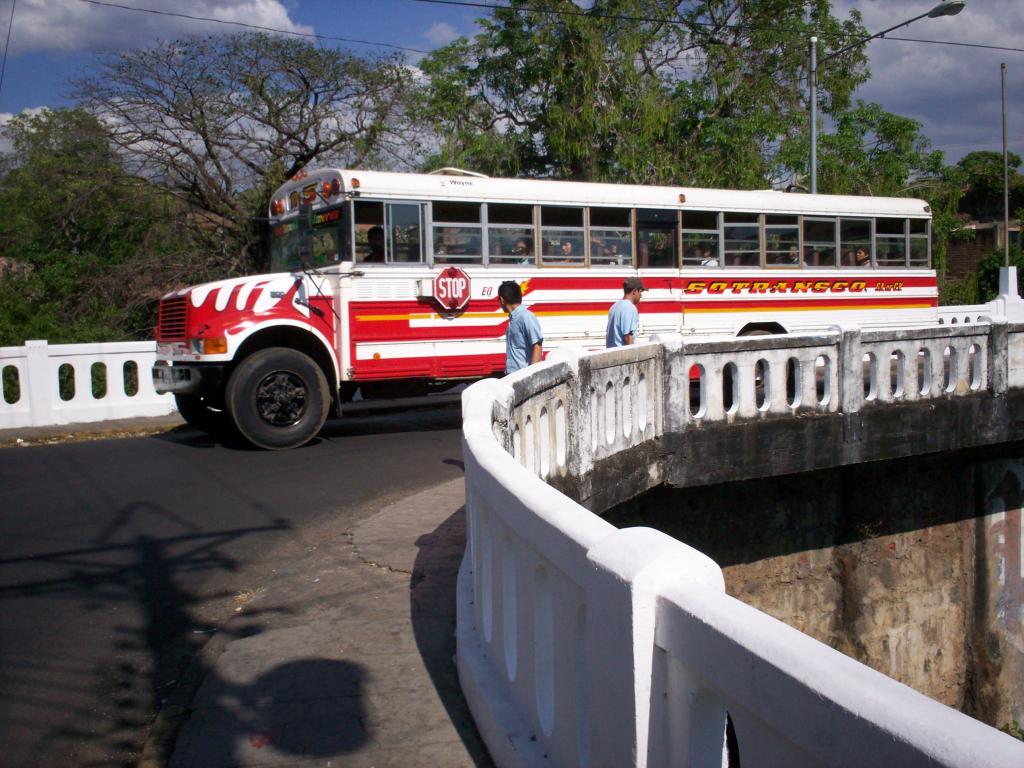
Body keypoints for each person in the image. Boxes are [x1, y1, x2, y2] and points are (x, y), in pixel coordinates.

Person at [498, 280, 543, 373]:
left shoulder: (526, 316)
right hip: (513, 376)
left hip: (523, 378)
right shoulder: (514, 318)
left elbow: (537, 346)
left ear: (502, 300)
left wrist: (531, 376)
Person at [606, 276, 646, 348]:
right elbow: (628, 336)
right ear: (634, 291)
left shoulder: (614, 306)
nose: (641, 295)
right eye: (640, 291)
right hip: (622, 356)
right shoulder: (630, 308)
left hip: (611, 353)